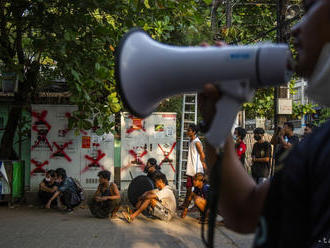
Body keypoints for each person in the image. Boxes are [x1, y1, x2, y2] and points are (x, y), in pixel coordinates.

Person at [198, 0, 330, 246]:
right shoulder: (318, 146)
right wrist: (217, 123)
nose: (294, 30)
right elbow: (244, 210)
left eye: (310, 9)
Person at [180, 123, 206, 209]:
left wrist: (203, 165)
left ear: (194, 132)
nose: (187, 131)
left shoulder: (197, 142)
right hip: (190, 170)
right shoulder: (190, 141)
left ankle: (196, 206)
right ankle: (185, 205)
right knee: (188, 188)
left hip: (196, 170)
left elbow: (202, 154)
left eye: (189, 130)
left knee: (197, 190)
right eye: (187, 130)